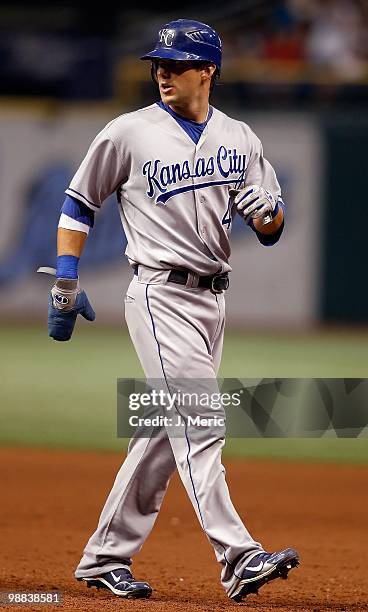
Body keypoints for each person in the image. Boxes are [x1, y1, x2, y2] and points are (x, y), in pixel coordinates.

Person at [45, 19, 299, 603]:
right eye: (157, 63)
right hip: (159, 295)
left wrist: (268, 215)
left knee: (166, 430)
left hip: (213, 299)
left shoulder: (240, 138)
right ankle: (238, 557)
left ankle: (103, 558)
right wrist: (64, 275)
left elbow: (271, 228)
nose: (162, 72)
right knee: (201, 420)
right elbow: (78, 202)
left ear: (206, 71)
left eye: (176, 64)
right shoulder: (129, 132)